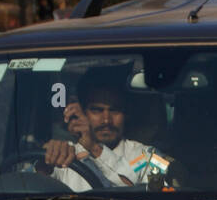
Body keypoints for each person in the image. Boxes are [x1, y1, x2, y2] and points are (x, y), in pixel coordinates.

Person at [41, 69, 172, 191]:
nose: (106, 120)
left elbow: (157, 198)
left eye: (114, 110)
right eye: (96, 110)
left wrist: (94, 148)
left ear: (126, 114)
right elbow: (30, 188)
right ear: (81, 112)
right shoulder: (66, 154)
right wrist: (46, 163)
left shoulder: (149, 156)